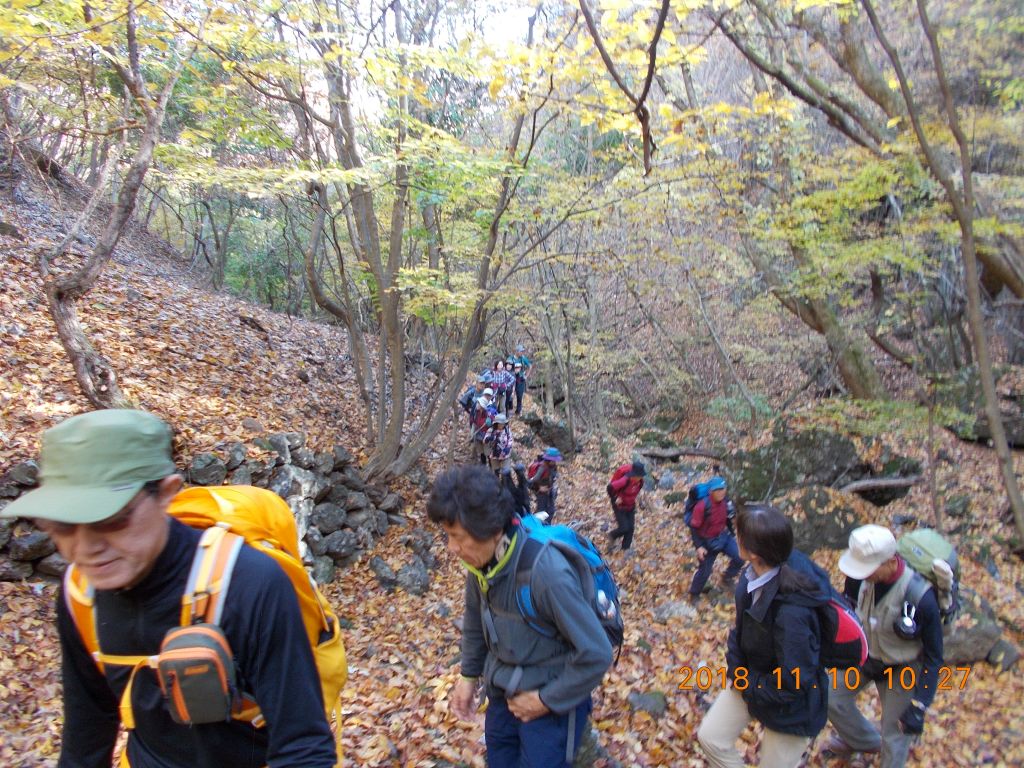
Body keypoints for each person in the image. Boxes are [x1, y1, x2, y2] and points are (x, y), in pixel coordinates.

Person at [0, 409, 337, 768]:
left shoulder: (250, 584)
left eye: (111, 518)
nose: (86, 547)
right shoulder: (80, 593)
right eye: (64, 524)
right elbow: (87, 735)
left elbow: (303, 748)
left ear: (166, 494)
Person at [427, 466, 612, 768]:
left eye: (457, 537)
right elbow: (475, 621)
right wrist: (468, 676)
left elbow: (597, 652)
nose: (451, 548)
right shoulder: (482, 565)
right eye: (448, 536)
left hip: (552, 708)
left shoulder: (546, 573)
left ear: (491, 528)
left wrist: (544, 701)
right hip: (503, 696)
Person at [697, 504, 829, 768]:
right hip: (754, 678)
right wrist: (739, 671)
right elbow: (740, 631)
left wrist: (748, 684)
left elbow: (794, 682)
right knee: (711, 737)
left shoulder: (792, 614)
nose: (735, 538)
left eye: (739, 535)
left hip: (792, 707)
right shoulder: (752, 578)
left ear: (754, 553)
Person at [825, 525, 944, 768]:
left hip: (902, 667)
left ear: (891, 562)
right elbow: (848, 611)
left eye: (868, 569)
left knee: (895, 731)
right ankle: (866, 741)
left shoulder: (920, 596)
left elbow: (934, 657)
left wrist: (920, 704)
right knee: (829, 697)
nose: (862, 574)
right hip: (865, 658)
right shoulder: (859, 579)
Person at [687, 476, 743, 602]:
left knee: (740, 556)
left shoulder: (725, 502)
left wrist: (733, 534)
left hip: (723, 537)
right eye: (718, 490)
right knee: (705, 572)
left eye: (723, 489)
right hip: (707, 542)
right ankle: (694, 594)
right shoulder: (702, 506)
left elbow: (727, 519)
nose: (721, 492)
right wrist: (699, 547)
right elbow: (694, 527)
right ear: (710, 491)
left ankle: (727, 578)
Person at [606, 461, 646, 553]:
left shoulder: (640, 482)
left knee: (631, 528)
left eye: (641, 476)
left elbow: (636, 492)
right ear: (634, 475)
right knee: (624, 528)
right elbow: (610, 487)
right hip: (619, 505)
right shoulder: (625, 480)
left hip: (630, 505)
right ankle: (612, 535)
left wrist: (639, 500)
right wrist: (615, 498)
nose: (640, 478)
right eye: (639, 476)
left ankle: (625, 550)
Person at [527, 447, 563, 523]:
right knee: (541, 512)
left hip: (549, 491)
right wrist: (539, 488)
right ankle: (535, 526)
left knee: (551, 510)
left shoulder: (552, 466)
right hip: (541, 493)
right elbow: (532, 481)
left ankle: (546, 526)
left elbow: (553, 476)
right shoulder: (542, 467)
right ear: (549, 460)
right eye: (554, 460)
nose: (555, 462)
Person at [469, 389, 497, 465]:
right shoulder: (476, 412)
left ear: (482, 406)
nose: (477, 404)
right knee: (481, 453)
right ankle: (483, 467)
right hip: (478, 435)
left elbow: (493, 427)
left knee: (487, 453)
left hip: (486, 437)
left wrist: (488, 437)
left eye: (479, 403)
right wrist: (472, 432)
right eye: (478, 403)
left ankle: (491, 468)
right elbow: (473, 421)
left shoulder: (489, 414)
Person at [511, 346, 531, 415]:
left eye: (523, 351)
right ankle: (509, 409)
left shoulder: (523, 358)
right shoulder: (511, 358)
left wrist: (526, 376)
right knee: (511, 394)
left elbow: (529, 366)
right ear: (517, 351)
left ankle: (518, 411)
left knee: (519, 395)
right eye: (521, 351)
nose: (522, 353)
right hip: (512, 378)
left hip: (520, 378)